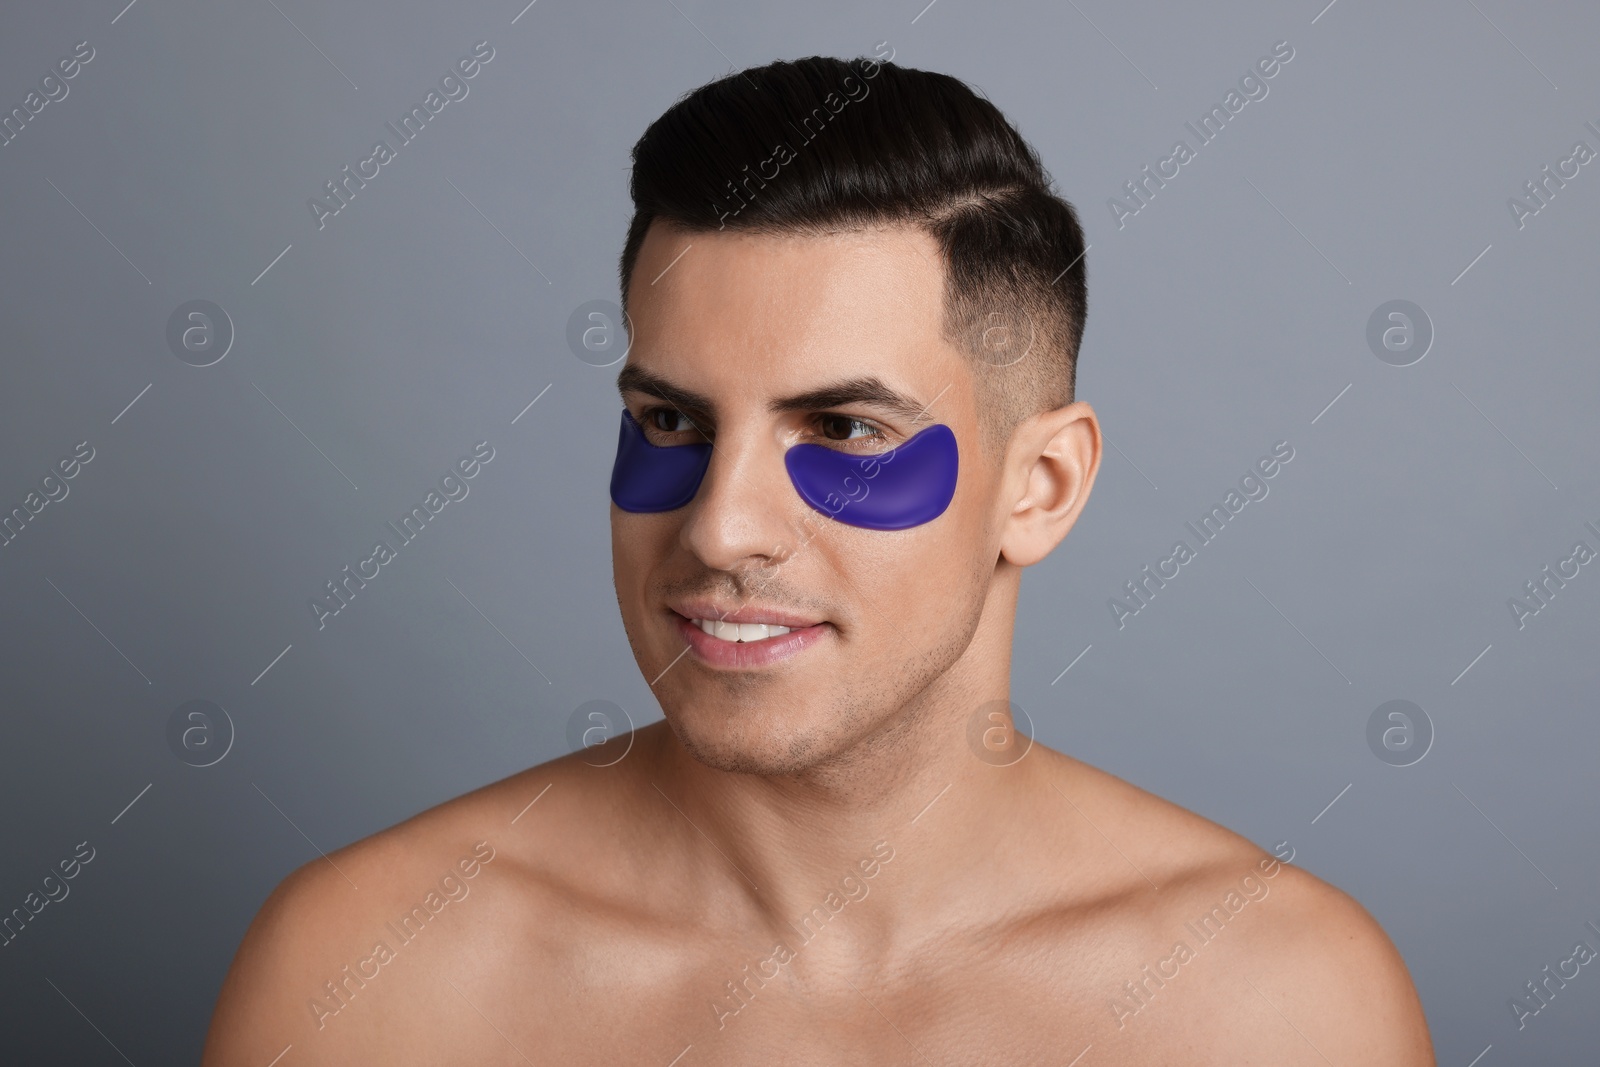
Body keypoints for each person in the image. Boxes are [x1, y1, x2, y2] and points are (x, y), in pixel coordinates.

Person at [204, 53, 1435, 1065]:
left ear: (1040, 485)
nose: (721, 526)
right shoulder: (370, 976)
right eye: (673, 422)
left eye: (843, 429)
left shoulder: (1275, 1008)